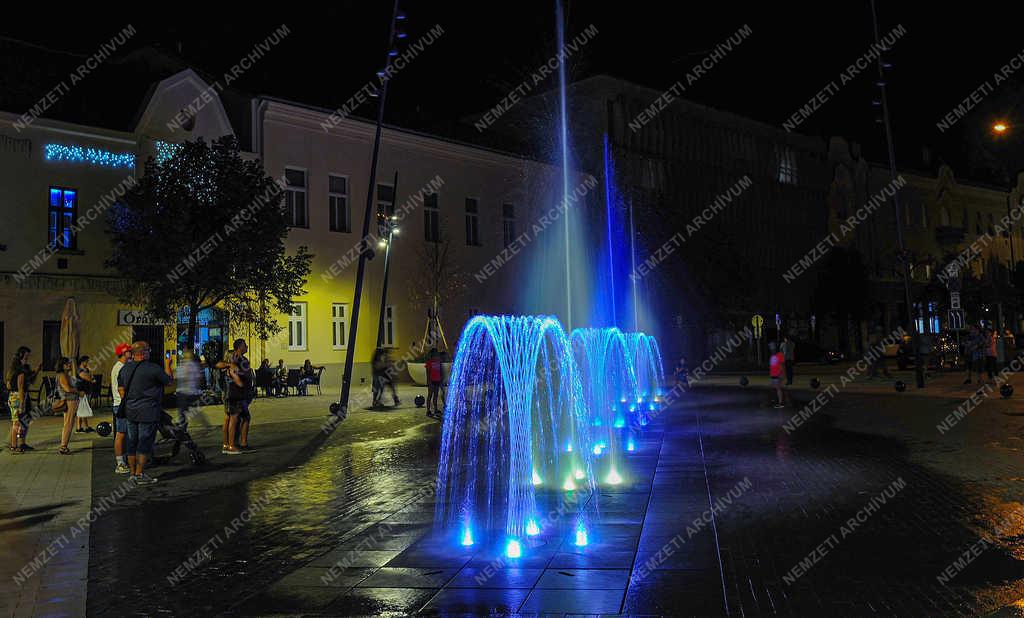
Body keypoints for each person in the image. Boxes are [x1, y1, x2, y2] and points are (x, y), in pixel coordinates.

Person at [117, 341, 173, 484]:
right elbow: (169, 381)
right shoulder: (153, 368)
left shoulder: (124, 369)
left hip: (130, 411)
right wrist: (168, 364)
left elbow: (121, 390)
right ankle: (140, 474)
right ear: (144, 352)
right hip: (148, 411)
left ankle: (132, 474)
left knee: (131, 442)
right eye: (149, 350)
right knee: (144, 443)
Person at [221, 339, 254, 454]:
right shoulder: (239, 360)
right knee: (240, 418)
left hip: (228, 393)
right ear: (240, 347)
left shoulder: (230, 359)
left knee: (229, 418)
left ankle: (227, 444)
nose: (247, 347)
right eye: (245, 345)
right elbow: (242, 376)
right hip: (236, 394)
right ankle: (235, 445)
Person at [7, 347, 40, 454]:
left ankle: (19, 444)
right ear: (21, 355)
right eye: (26, 355)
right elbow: (20, 387)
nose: (28, 357)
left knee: (21, 422)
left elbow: (8, 385)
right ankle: (14, 446)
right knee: (17, 423)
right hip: (18, 397)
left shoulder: (14, 369)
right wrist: (21, 403)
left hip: (14, 396)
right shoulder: (20, 370)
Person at [110, 343, 132, 473]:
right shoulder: (120, 368)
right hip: (121, 405)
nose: (131, 354)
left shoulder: (121, 367)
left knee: (125, 434)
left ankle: (124, 460)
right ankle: (120, 463)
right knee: (121, 433)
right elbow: (121, 389)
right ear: (124, 353)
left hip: (121, 404)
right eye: (129, 351)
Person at [56, 357, 82, 454]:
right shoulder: (62, 375)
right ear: (62, 365)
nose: (70, 365)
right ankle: (63, 446)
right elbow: (67, 388)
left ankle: (64, 445)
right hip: (69, 400)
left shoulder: (65, 374)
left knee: (68, 423)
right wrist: (78, 392)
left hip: (70, 400)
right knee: (68, 423)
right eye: (67, 364)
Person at [175, 351, 202, 430]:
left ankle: (183, 430)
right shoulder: (195, 366)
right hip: (193, 392)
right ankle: (184, 428)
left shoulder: (182, 365)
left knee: (182, 413)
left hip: (183, 392)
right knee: (186, 412)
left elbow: (178, 377)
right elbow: (199, 379)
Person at [74, 356, 95, 433]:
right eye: (87, 361)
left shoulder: (86, 370)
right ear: (83, 362)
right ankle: (79, 427)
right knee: (81, 409)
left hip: (85, 391)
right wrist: (91, 378)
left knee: (83, 409)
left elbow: (91, 377)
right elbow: (89, 378)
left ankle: (85, 427)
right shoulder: (80, 370)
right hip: (81, 392)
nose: (88, 363)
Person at [425, 349, 442, 417]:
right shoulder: (429, 362)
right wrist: (428, 381)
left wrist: (441, 379)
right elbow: (428, 372)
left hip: (437, 380)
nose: (437, 356)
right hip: (432, 381)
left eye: (437, 355)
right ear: (432, 356)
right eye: (435, 355)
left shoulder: (438, 362)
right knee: (430, 395)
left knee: (435, 396)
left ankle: (435, 409)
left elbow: (440, 371)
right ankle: (428, 410)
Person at [768, 342, 785, 408]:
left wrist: (782, 374)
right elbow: (771, 366)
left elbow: (782, 365)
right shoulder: (772, 356)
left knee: (778, 388)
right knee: (773, 388)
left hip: (778, 375)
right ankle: (776, 400)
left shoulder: (780, 355)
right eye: (770, 347)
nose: (771, 348)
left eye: (772, 347)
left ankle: (780, 403)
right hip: (773, 375)